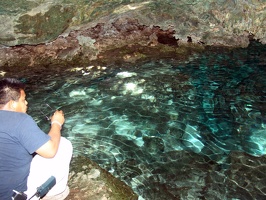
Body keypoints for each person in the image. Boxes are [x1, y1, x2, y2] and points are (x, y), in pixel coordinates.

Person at [0, 78, 73, 200]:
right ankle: (57, 195)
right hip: (13, 195)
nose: (27, 103)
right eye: (23, 100)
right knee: (64, 145)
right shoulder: (20, 120)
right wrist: (56, 123)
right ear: (13, 104)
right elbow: (50, 151)